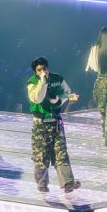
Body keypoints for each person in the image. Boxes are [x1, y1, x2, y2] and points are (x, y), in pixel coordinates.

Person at [25, 58, 80, 194]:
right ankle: (42, 184)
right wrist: (42, 82)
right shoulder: (32, 83)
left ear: (48, 68)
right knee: (41, 156)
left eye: (44, 68)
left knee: (61, 153)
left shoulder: (57, 78)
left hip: (56, 122)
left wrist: (59, 100)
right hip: (41, 124)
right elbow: (36, 98)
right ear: (35, 72)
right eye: (39, 70)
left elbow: (67, 92)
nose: (43, 71)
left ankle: (68, 183)